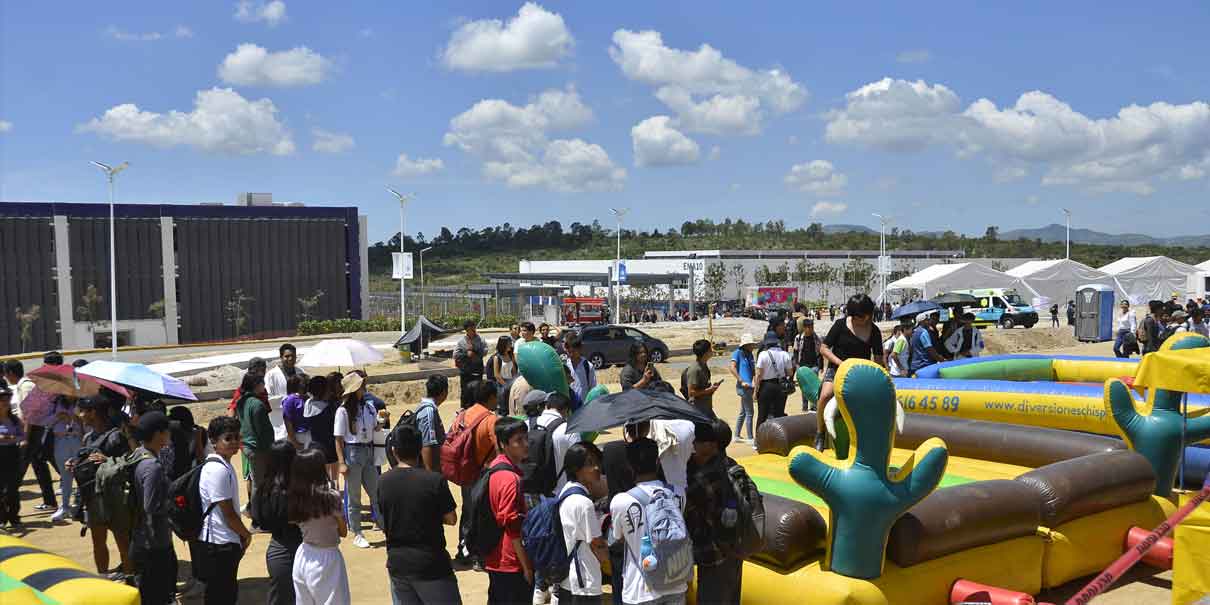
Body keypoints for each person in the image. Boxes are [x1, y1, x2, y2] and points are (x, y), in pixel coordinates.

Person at [378, 424, 461, 605]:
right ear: (419, 449)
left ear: (393, 450)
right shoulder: (433, 481)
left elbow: (386, 518)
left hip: (398, 564)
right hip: (431, 565)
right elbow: (451, 518)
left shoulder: (383, 482)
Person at [609, 437, 688, 605]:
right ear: (658, 462)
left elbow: (617, 538)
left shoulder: (621, 501)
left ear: (629, 466)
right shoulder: (679, 493)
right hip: (676, 581)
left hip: (640, 589)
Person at [72, 396, 133, 574]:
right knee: (98, 541)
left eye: (83, 411)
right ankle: (103, 579)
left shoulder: (116, 436)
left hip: (115, 497)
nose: (80, 415)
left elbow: (130, 462)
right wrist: (75, 464)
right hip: (93, 497)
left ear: (94, 413)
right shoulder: (88, 437)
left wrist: (107, 460)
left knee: (123, 542)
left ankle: (131, 579)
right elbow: (85, 463)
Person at [816, 295, 885, 450]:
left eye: (864, 315)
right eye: (857, 316)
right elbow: (824, 348)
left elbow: (879, 357)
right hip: (837, 369)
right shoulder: (840, 325)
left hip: (861, 374)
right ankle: (820, 432)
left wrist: (873, 375)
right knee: (825, 396)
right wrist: (841, 363)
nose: (861, 319)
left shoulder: (874, 331)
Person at [685, 420, 742, 605]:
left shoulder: (704, 478)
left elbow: (686, 510)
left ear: (711, 445)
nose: (693, 446)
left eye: (696, 442)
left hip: (712, 556)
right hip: (735, 551)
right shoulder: (734, 466)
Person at [199, 416, 253, 605]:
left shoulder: (223, 465)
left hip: (223, 540)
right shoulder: (217, 470)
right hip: (219, 543)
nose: (234, 443)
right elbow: (228, 514)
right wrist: (246, 534)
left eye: (237, 438)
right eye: (228, 438)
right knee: (222, 595)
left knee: (223, 592)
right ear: (213, 441)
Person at [289, 448, 352, 605]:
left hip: (303, 555)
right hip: (327, 559)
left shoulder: (296, 497)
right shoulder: (331, 497)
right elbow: (343, 532)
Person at [129, 411, 178, 605]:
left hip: (141, 538)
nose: (169, 434)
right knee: (157, 596)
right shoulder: (152, 466)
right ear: (158, 434)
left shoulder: (138, 454)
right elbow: (151, 505)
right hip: (154, 543)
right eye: (167, 431)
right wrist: (174, 503)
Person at [485, 417, 534, 604]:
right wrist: (527, 566)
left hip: (495, 557)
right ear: (504, 444)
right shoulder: (510, 479)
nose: (525, 444)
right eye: (518, 441)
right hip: (510, 561)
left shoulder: (495, 466)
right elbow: (512, 527)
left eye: (525, 438)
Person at [453, 380, 501, 567]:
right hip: (484, 474)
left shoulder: (463, 414)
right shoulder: (490, 419)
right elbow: (499, 448)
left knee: (468, 511)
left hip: (465, 471)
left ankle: (463, 550)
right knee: (483, 515)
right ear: (491, 398)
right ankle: (479, 556)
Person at [556, 442, 609, 605]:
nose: (596, 468)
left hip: (569, 578)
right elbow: (595, 543)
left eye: (597, 462)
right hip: (584, 580)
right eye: (589, 463)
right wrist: (610, 561)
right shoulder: (583, 503)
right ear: (575, 469)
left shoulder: (566, 491)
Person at [334, 371, 380, 548]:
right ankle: (357, 532)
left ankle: (383, 525)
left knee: (375, 492)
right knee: (354, 497)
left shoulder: (368, 407)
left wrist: (381, 423)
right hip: (353, 452)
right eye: (361, 385)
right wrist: (341, 462)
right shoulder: (343, 411)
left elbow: (374, 427)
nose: (364, 387)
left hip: (367, 450)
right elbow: (338, 439)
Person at [252, 441, 301, 605]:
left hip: (279, 547)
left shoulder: (264, 488)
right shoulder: (300, 488)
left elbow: (260, 521)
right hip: (301, 548)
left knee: (280, 597)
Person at [16, 351, 64, 513]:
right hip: (55, 428)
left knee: (22, 466)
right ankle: (50, 500)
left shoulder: (44, 383)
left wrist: (25, 435)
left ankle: (8, 500)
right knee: (40, 462)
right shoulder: (64, 382)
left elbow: (31, 412)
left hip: (40, 429)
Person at [235, 373, 273, 519]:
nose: (264, 386)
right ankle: (258, 518)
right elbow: (262, 431)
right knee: (260, 485)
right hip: (259, 449)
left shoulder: (241, 401)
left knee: (257, 483)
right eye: (262, 383)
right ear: (256, 385)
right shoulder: (257, 405)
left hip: (247, 447)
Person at [47, 390, 83, 523]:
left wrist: (73, 418)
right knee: (65, 475)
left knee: (81, 474)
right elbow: (46, 422)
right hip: (60, 440)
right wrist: (58, 417)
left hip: (77, 440)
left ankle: (80, 505)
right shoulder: (55, 403)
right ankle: (65, 507)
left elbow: (85, 424)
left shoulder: (83, 402)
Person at [265, 343, 306, 441]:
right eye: (287, 356)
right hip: (280, 422)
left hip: (299, 423)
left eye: (293, 356)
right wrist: (289, 400)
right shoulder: (272, 375)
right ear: (281, 357)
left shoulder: (300, 372)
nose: (290, 359)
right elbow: (268, 399)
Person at [753, 335, 792, 434]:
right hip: (780, 386)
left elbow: (758, 375)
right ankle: (778, 440)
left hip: (766, 386)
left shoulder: (763, 354)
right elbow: (790, 373)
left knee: (762, 415)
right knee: (779, 414)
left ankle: (758, 440)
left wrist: (755, 391)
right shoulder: (785, 354)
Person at [0, 384, 24, 530]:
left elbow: (21, 436)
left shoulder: (14, 420)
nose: (4, 403)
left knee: (12, 488)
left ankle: (14, 516)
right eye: (1, 400)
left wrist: (12, 438)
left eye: (7, 400)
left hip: (12, 454)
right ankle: (1, 518)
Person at [415, 375, 449, 472]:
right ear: (444, 392)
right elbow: (427, 444)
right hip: (428, 472)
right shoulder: (428, 411)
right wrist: (431, 476)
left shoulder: (427, 408)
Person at [729, 333, 758, 443]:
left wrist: (755, 385)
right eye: (750, 344)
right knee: (750, 412)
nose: (752, 346)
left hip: (750, 387)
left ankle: (736, 435)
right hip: (744, 387)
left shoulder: (750, 355)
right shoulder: (737, 353)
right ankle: (750, 438)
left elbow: (754, 371)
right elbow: (732, 368)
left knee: (743, 412)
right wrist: (741, 380)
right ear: (745, 345)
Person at [454, 320, 488, 407]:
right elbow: (456, 355)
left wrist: (475, 352)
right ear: (466, 330)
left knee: (477, 390)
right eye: (471, 329)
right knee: (465, 391)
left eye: (474, 328)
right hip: (466, 371)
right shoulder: (461, 342)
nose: (473, 331)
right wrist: (466, 354)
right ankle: (464, 409)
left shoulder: (480, 340)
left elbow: (485, 351)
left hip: (477, 370)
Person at [685, 339, 722, 416]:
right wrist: (708, 390)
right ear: (706, 353)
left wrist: (711, 388)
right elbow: (691, 393)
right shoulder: (695, 369)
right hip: (698, 410)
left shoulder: (703, 365)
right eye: (710, 349)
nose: (712, 351)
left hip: (706, 408)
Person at [793, 318, 823, 411]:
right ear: (804, 328)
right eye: (809, 327)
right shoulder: (798, 338)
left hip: (814, 365)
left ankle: (813, 406)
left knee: (814, 385)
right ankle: (805, 405)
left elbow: (820, 352)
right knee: (804, 386)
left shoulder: (816, 338)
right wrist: (797, 365)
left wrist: (820, 366)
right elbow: (795, 352)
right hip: (802, 365)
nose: (811, 329)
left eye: (812, 327)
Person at [564, 334, 598, 402]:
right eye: (569, 352)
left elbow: (593, 388)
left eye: (573, 352)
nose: (571, 354)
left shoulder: (587, 366)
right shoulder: (564, 365)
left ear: (580, 349)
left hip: (583, 405)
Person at [281, 374, 308, 449]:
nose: (306, 385)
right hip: (298, 435)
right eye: (303, 383)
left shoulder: (305, 397)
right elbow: (288, 422)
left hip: (308, 434)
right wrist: (295, 442)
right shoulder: (290, 399)